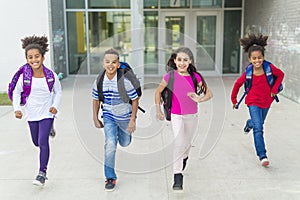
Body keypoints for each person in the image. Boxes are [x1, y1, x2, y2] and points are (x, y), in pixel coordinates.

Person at [155, 47, 213, 191]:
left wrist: (199, 99)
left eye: (185, 60)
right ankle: (177, 175)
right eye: (179, 60)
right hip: (176, 115)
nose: (182, 63)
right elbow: (158, 92)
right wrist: (158, 109)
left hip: (191, 116)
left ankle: (184, 158)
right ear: (175, 61)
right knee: (179, 142)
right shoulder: (170, 76)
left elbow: (209, 93)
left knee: (186, 145)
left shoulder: (195, 77)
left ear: (190, 61)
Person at [12, 35, 62, 186]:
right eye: (30, 57)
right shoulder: (25, 77)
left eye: (37, 56)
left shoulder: (51, 76)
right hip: (32, 114)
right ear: (27, 59)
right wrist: (16, 109)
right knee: (36, 142)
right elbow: (16, 92)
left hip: (47, 113)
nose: (34, 60)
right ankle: (50, 129)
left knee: (42, 141)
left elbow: (58, 91)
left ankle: (42, 173)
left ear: (43, 57)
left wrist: (55, 106)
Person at [231, 33, 284, 167]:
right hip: (253, 102)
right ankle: (262, 155)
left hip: (267, 101)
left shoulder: (269, 68)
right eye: (254, 58)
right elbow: (237, 84)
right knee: (259, 128)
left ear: (263, 57)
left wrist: (274, 89)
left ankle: (249, 124)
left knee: (257, 123)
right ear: (250, 59)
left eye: (259, 58)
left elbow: (281, 75)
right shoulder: (248, 72)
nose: (257, 61)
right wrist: (234, 100)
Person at [92, 48, 139, 191]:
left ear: (118, 64)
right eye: (107, 62)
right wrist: (95, 117)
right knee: (110, 143)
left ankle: (123, 133)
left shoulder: (124, 81)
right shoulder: (99, 80)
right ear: (103, 63)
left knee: (125, 142)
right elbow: (96, 99)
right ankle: (110, 177)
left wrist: (132, 120)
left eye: (114, 62)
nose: (110, 65)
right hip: (108, 116)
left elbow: (135, 99)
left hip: (125, 117)